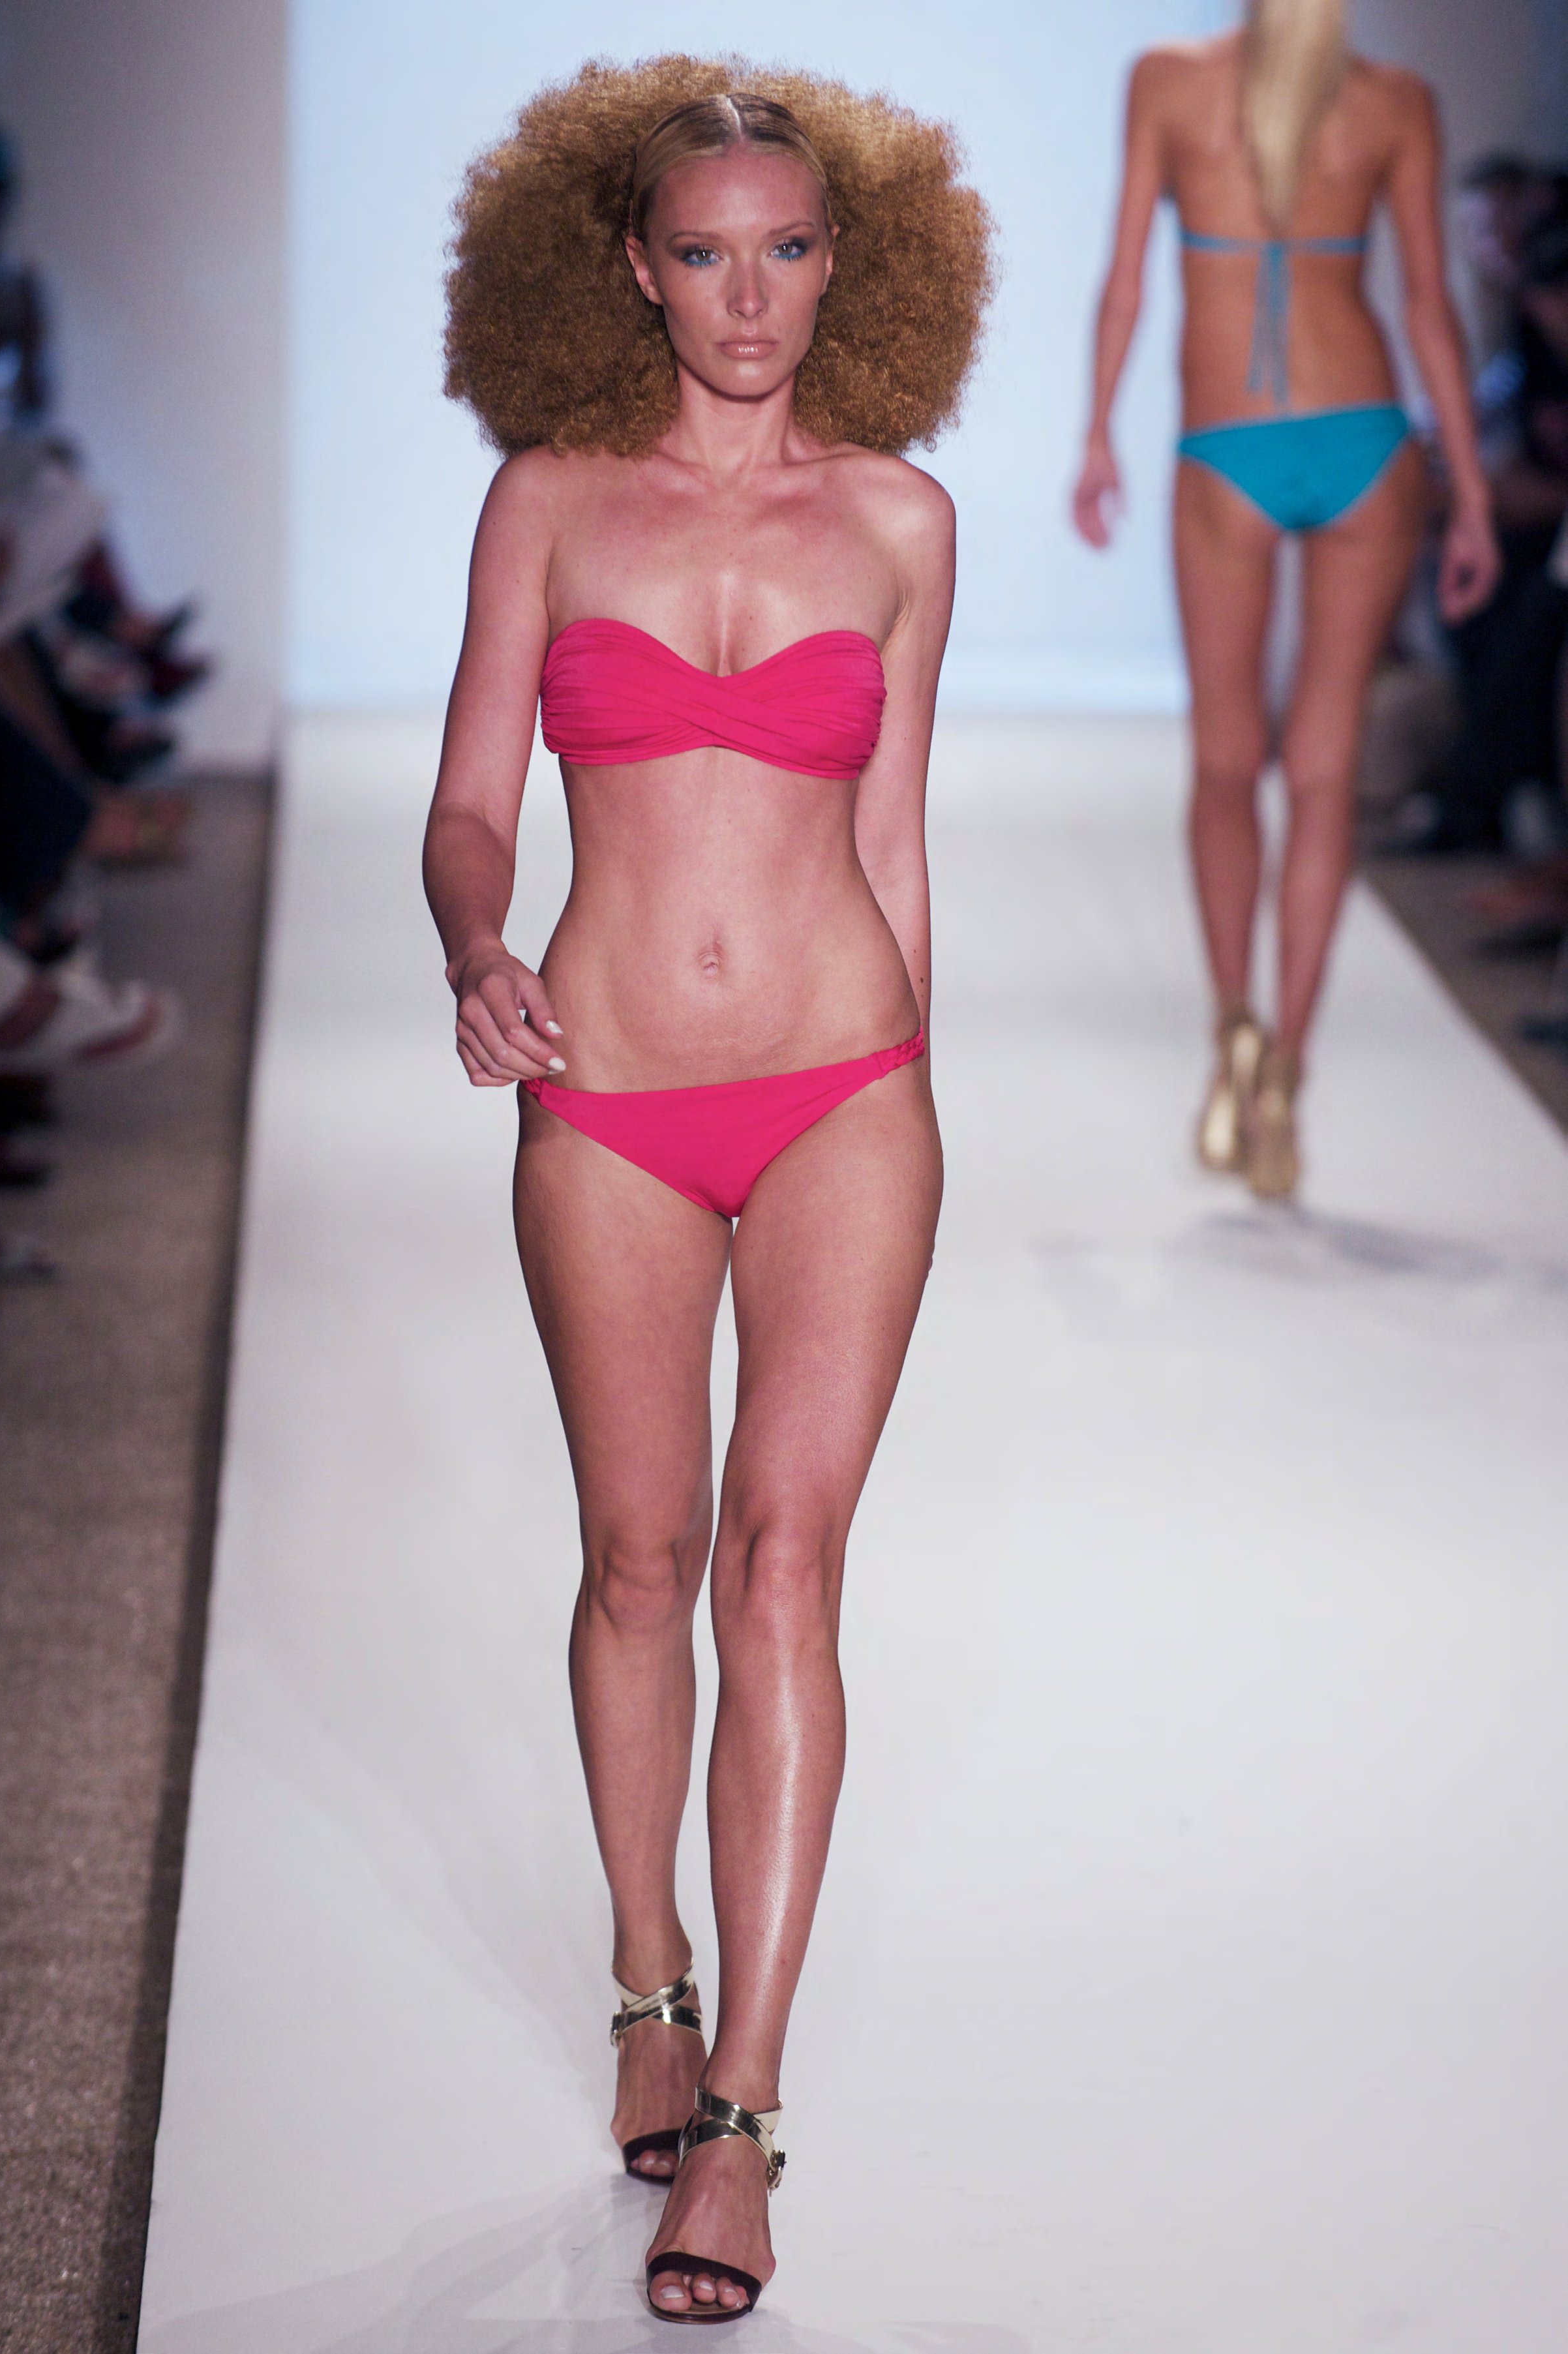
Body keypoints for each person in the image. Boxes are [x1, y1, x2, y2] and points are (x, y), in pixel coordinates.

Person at [423, 60, 991, 2322]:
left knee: (784, 1567)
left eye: (786, 249)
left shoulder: (904, 519)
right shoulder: (550, 500)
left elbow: (897, 839)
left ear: (843, 264)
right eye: (702, 252)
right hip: (610, 1091)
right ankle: (649, 1976)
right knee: (640, 1554)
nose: (747, 296)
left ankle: (741, 2113)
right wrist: (473, 942)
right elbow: (474, 796)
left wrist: (921, 1092)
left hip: (847, 1087)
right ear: (631, 269)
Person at [1072, 0, 1499, 1198]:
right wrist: (1468, 490)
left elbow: (1123, 281)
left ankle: (1233, 1041)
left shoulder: (1166, 81)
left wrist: (1096, 434)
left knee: (1225, 761)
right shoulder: (1395, 103)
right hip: (1367, 440)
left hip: (1228, 442)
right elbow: (1427, 308)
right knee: (1321, 766)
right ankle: (1285, 1078)